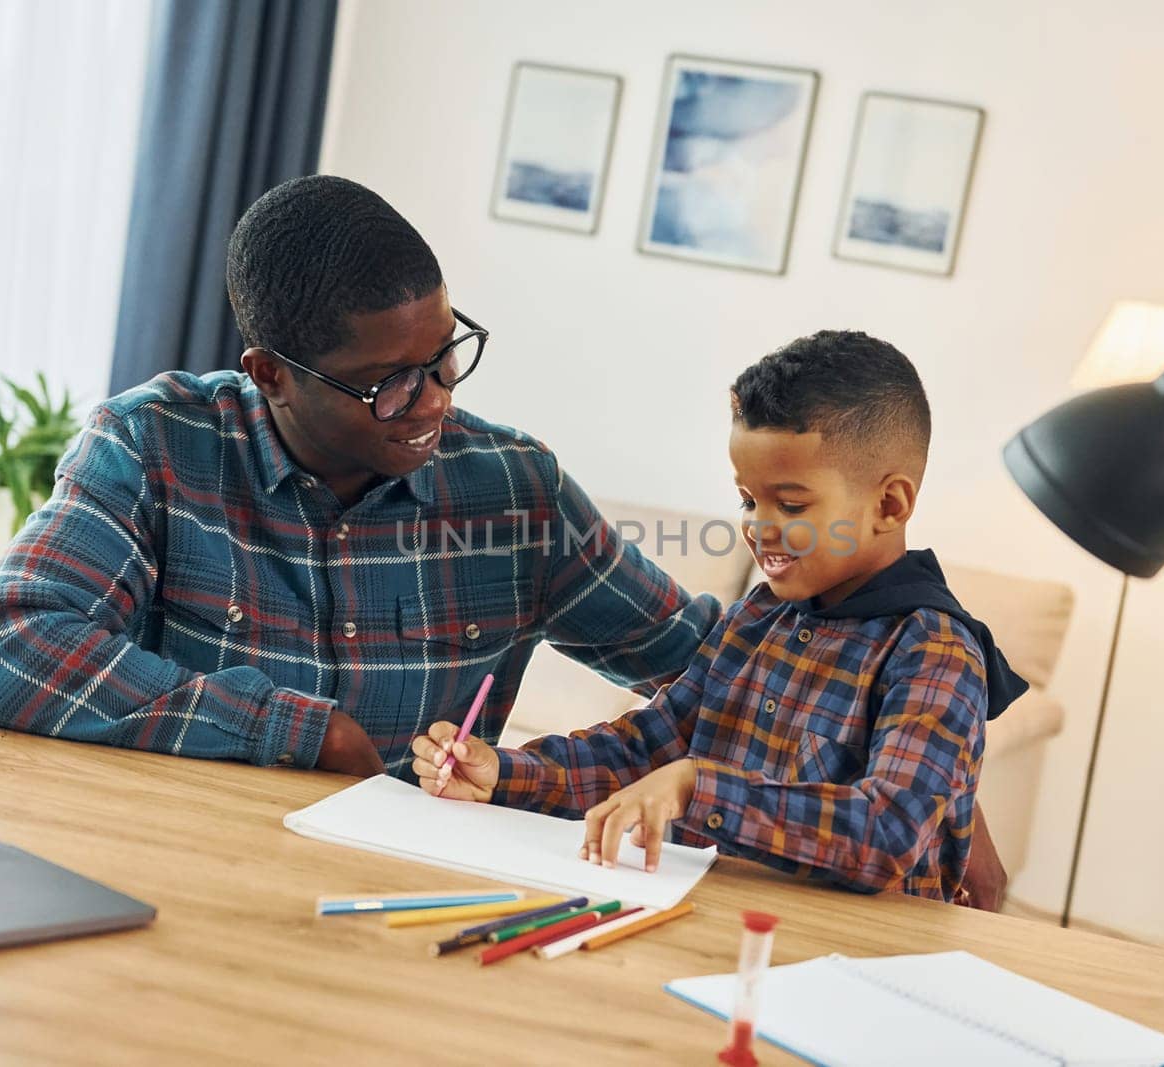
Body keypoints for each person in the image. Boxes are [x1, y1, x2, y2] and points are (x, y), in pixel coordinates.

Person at [0, 175, 717, 779]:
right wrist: (288, 729)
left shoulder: (516, 490)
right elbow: (8, 651)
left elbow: (707, 664)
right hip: (192, 877)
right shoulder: (154, 446)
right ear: (271, 375)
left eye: (445, 357)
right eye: (390, 383)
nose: (438, 401)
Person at [412, 331, 1026, 899]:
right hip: (703, 924)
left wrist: (695, 786)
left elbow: (885, 833)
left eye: (790, 503)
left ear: (889, 504)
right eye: (748, 499)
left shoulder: (934, 651)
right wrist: (505, 773)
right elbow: (644, 748)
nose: (758, 526)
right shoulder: (755, 620)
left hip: (846, 965)